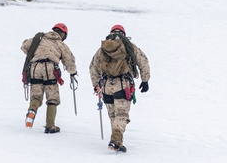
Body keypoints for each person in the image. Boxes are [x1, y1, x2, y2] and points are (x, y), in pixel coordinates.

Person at [89, 25, 151, 153]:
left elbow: (93, 67)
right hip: (123, 84)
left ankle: (115, 141)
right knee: (121, 115)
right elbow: (143, 61)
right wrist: (145, 80)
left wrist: (96, 85)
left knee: (113, 115)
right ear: (124, 34)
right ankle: (116, 141)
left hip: (106, 85)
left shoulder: (102, 48)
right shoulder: (129, 46)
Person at [20, 23, 77, 134]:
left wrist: (36, 54)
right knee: (52, 98)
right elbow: (69, 60)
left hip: (35, 67)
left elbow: (24, 46)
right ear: (63, 34)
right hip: (50, 68)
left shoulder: (40, 38)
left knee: (36, 95)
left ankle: (32, 111)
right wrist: (73, 72)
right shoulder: (60, 44)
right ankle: (50, 125)